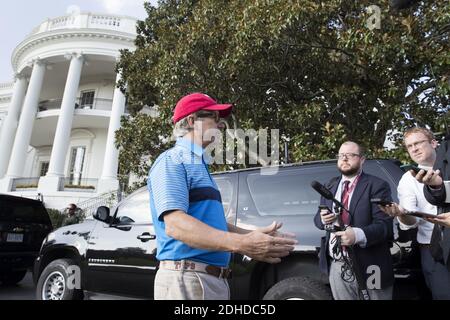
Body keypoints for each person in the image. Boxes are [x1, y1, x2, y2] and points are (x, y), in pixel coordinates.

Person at [147, 92, 297, 300]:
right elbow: (176, 225)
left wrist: (251, 236)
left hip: (207, 281)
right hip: (186, 280)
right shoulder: (172, 161)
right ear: (192, 121)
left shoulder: (199, 164)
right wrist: (241, 244)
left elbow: (213, 222)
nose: (220, 125)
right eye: (214, 118)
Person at [313, 141, 394, 300]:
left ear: (362, 159)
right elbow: (317, 220)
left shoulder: (376, 185)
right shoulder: (329, 186)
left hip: (372, 265)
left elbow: (384, 227)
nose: (344, 159)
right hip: (337, 265)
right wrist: (323, 219)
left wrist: (357, 235)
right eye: (341, 155)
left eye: (350, 155)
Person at [379, 128, 450, 299]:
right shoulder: (408, 179)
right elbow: (410, 222)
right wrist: (401, 214)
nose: (414, 149)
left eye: (418, 143)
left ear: (434, 143)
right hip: (435, 251)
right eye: (409, 146)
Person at [415, 133, 450, 276]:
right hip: (444, 250)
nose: (414, 149)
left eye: (418, 143)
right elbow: (439, 198)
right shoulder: (447, 144)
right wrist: (436, 186)